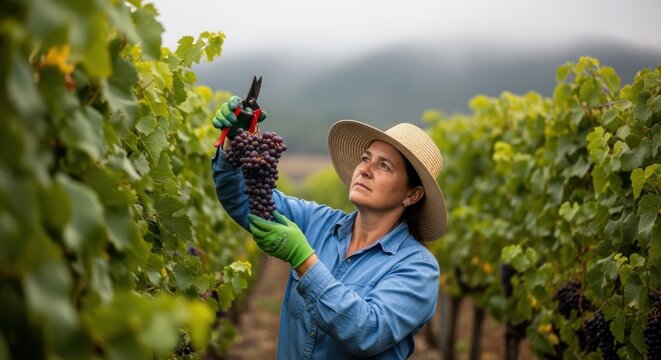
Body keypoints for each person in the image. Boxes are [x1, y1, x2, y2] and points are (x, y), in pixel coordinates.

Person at [211, 96, 447, 359]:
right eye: (365, 158)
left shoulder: (418, 268)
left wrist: (304, 260)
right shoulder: (316, 221)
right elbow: (245, 200)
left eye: (384, 165)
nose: (365, 170)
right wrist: (233, 144)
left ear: (412, 195)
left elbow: (368, 331)